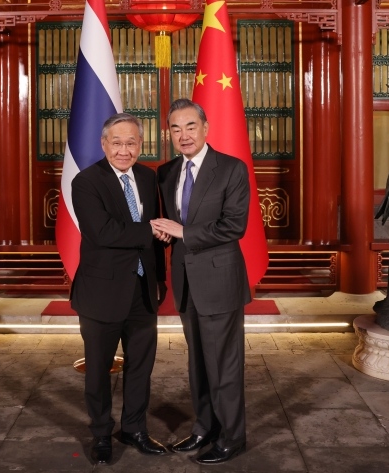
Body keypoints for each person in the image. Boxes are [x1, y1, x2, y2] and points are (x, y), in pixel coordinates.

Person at [151, 98, 252, 465]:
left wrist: (184, 232)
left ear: (205, 128)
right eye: (176, 128)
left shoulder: (231, 169)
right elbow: (175, 223)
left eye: (190, 126)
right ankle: (204, 427)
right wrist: (167, 234)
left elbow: (234, 226)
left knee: (224, 365)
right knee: (198, 363)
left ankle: (231, 437)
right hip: (186, 280)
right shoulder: (166, 173)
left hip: (219, 281)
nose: (184, 135)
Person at [71, 113, 169, 465]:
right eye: (117, 143)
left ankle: (134, 429)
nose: (124, 150)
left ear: (141, 145)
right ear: (104, 144)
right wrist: (152, 229)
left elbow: (154, 239)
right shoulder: (86, 181)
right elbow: (102, 232)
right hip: (101, 295)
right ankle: (101, 434)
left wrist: (159, 280)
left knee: (140, 367)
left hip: (142, 291)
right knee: (98, 371)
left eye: (131, 143)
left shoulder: (147, 177)